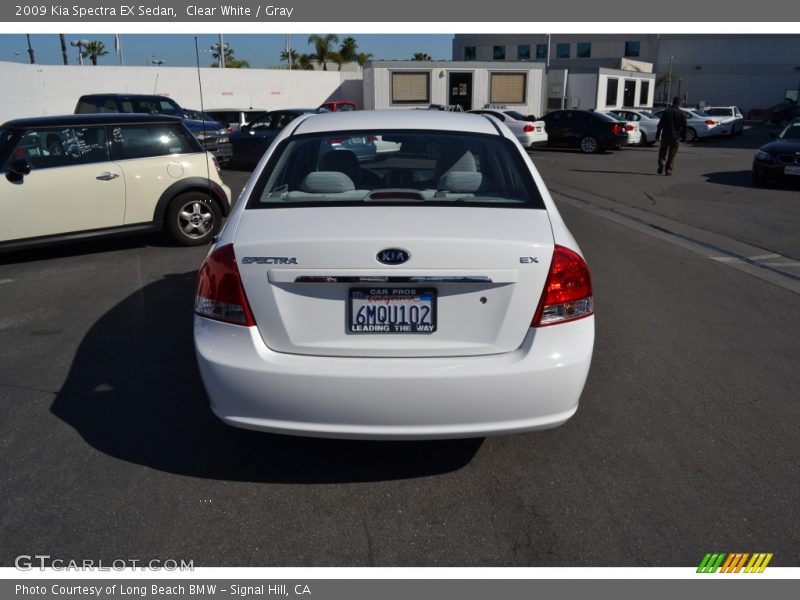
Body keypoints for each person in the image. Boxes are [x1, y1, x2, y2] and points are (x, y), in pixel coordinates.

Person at [655, 96, 688, 176]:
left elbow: (660, 125)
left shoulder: (665, 112)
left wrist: (657, 135)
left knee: (663, 150)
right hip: (675, 137)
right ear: (679, 103)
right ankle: (668, 169)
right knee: (672, 154)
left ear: (672, 102)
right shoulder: (682, 113)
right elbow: (684, 127)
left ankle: (661, 162)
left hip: (665, 136)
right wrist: (684, 137)